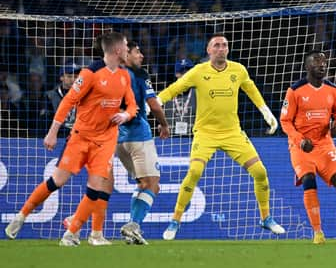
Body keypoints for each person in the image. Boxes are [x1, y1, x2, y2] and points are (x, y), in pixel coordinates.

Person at [4, 32, 137, 246]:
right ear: (118, 50)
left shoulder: (124, 75)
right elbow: (68, 101)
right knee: (57, 181)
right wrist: (53, 131)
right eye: (125, 46)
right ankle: (21, 215)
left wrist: (125, 114)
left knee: (96, 187)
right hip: (81, 137)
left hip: (105, 140)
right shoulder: (90, 73)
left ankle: (72, 234)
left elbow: (132, 105)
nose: (128, 50)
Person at [158, 34, 284, 239]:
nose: (221, 48)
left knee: (260, 172)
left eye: (224, 45)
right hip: (205, 134)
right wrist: (154, 102)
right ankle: (175, 221)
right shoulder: (198, 71)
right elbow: (174, 89)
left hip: (233, 133)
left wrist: (266, 112)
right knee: (195, 172)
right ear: (208, 51)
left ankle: (266, 218)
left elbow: (251, 90)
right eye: (216, 45)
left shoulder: (238, 69)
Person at [281, 50, 336, 244]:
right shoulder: (295, 90)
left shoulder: (333, 89)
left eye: (323, 62)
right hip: (302, 146)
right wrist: (299, 140)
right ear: (307, 67)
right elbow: (285, 121)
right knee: (308, 181)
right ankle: (318, 233)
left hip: (324, 144)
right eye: (316, 62)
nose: (321, 65)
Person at [117, 40, 171, 244]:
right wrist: (164, 125)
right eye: (137, 52)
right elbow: (154, 106)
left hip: (118, 140)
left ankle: (133, 228)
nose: (141, 56)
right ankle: (133, 224)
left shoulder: (112, 75)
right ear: (126, 54)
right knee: (153, 184)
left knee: (143, 183)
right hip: (139, 136)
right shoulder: (139, 75)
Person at [44, 61, 82, 136]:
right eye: (69, 76)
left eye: (76, 76)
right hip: (58, 136)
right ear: (61, 77)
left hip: (79, 136)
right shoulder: (50, 96)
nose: (73, 80)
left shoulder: (85, 95)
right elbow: (45, 122)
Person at [163, 58, 196, 135]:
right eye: (183, 72)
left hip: (193, 138)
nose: (186, 75)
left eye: (189, 72)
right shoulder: (167, 93)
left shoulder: (198, 93)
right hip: (171, 140)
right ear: (176, 74)